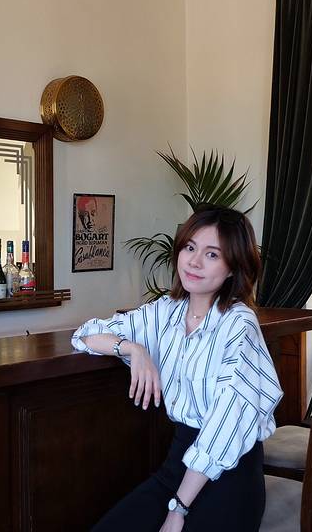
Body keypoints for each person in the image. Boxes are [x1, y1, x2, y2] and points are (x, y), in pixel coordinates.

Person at [71, 206, 283, 532]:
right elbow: (86, 334)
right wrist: (132, 348)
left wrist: (179, 509)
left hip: (228, 475)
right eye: (190, 247)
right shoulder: (167, 312)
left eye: (212, 254)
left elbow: (224, 428)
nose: (194, 262)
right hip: (178, 465)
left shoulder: (239, 324)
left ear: (233, 267)